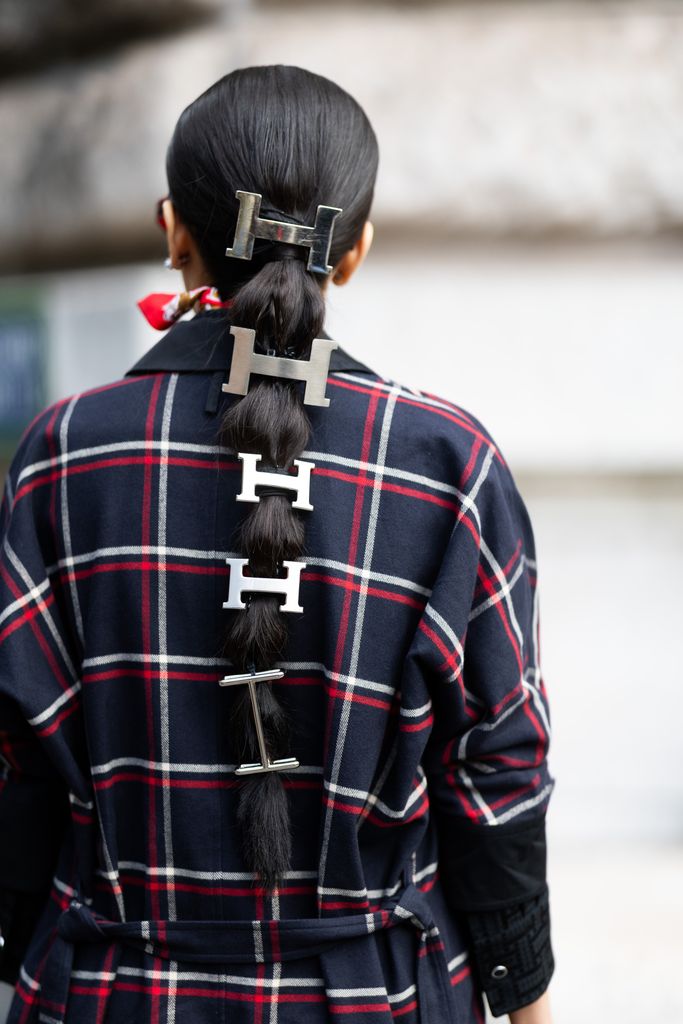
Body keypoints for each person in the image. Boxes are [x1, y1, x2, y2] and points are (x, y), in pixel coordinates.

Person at [0, 65, 556, 1023]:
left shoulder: (64, 455)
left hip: (112, 992)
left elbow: (17, 758)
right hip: (376, 995)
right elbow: (495, 768)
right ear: (353, 252)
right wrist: (525, 996)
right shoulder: (445, 464)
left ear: (173, 228)